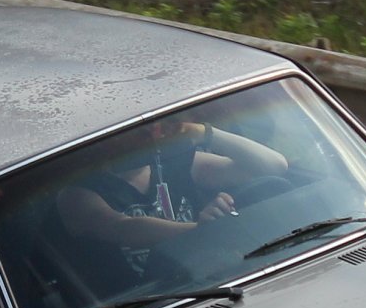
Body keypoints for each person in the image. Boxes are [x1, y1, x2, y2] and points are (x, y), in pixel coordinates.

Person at [45, 116, 288, 295]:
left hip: (211, 281)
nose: (152, 136)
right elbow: (124, 228)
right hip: (145, 302)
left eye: (155, 128)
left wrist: (203, 133)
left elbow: (274, 166)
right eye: (138, 131)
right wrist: (200, 229)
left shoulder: (179, 164)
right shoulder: (77, 194)